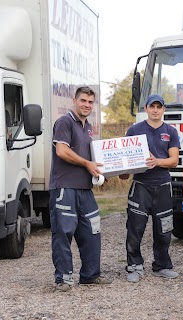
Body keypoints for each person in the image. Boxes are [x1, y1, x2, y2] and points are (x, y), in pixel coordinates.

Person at [49, 86, 111, 292]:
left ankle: (90, 275)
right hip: (65, 188)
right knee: (63, 233)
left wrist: (104, 170)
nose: (86, 105)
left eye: (90, 102)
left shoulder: (88, 127)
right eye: (83, 100)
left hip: (85, 189)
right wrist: (87, 164)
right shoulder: (64, 122)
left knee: (92, 231)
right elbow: (62, 151)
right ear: (74, 101)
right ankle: (64, 279)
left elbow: (92, 157)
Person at [119, 94, 180, 283]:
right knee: (135, 229)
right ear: (145, 108)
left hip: (162, 186)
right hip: (141, 186)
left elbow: (174, 160)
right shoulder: (134, 130)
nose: (155, 110)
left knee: (164, 229)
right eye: (152, 106)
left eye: (159, 107)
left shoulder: (171, 131)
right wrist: (124, 171)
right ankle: (134, 266)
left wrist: (157, 162)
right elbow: (126, 157)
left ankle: (161, 265)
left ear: (164, 110)